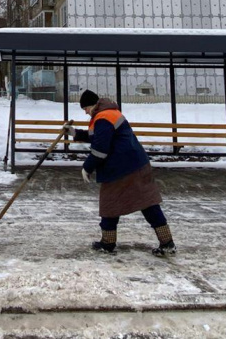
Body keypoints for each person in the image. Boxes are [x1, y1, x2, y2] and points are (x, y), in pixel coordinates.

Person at [65, 90, 176, 257]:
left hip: (123, 168)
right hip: (133, 165)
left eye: (85, 108)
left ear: (92, 105)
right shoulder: (108, 113)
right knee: (146, 203)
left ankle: (108, 243)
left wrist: (87, 167)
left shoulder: (102, 117)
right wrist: (74, 133)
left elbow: (101, 149)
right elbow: (98, 137)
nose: (85, 112)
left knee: (111, 203)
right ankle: (166, 242)